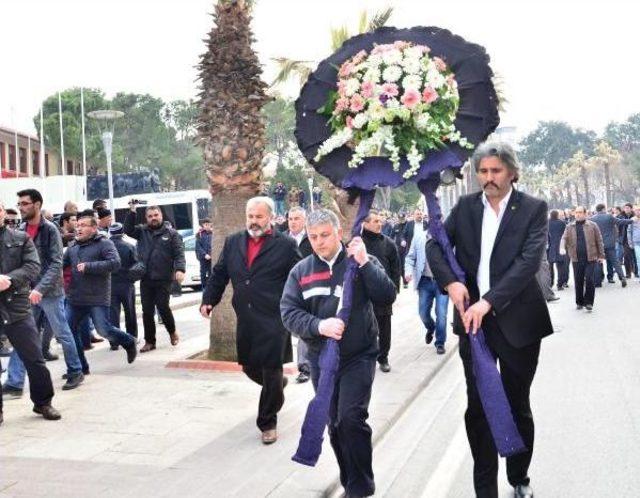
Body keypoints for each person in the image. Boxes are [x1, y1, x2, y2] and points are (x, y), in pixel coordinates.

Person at [426, 142, 553, 498]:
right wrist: (450, 282)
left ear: (512, 172)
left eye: (496, 171)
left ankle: (518, 476)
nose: (489, 178)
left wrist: (489, 302)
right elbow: (435, 245)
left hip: (519, 322)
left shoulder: (533, 209)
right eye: (483, 171)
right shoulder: (465, 208)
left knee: (517, 402)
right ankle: (485, 487)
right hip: (472, 324)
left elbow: (527, 263)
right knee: (478, 406)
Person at [280, 208, 397, 498]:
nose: (319, 242)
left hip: (360, 355)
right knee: (334, 425)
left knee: (350, 419)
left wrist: (365, 263)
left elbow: (387, 295)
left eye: (325, 235)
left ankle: (361, 487)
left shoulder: (360, 260)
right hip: (322, 359)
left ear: (338, 233)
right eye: (313, 236)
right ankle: (350, 483)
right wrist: (319, 325)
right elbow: (288, 312)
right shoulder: (301, 271)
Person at [200, 197, 300, 445]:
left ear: (271, 217)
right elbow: (220, 273)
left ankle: (268, 422)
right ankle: (277, 386)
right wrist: (208, 300)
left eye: (259, 217)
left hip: (275, 316)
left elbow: (299, 276)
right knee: (248, 365)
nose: (254, 222)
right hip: (245, 315)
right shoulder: (234, 241)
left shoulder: (285, 245)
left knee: (271, 366)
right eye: (250, 217)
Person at [3, 189, 85, 395]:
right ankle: (14, 382)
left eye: (25, 203)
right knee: (23, 338)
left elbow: (57, 263)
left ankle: (75, 370)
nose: (21, 207)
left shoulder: (49, 229)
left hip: (50, 292)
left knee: (62, 333)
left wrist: (40, 288)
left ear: (37, 204)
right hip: (26, 294)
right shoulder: (20, 229)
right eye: (19, 203)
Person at [0, 200, 61, 423]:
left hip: (16, 306)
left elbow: (33, 267)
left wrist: (8, 280)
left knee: (34, 358)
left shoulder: (20, 238)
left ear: (3, 213)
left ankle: (43, 403)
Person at [64, 213, 138, 371]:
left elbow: (115, 263)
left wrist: (89, 266)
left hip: (97, 296)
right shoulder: (73, 246)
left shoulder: (105, 243)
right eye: (77, 225)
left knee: (103, 329)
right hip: (75, 298)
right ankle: (80, 367)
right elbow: (61, 265)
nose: (79, 228)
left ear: (94, 228)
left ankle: (128, 341)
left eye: (83, 225)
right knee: (69, 331)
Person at [124, 202, 185, 353]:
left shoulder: (172, 234)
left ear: (161, 215)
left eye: (156, 215)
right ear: (146, 218)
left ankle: (172, 331)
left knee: (163, 308)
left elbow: (179, 254)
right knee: (147, 311)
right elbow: (128, 229)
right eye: (150, 216)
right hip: (146, 278)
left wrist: (180, 269)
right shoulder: (142, 231)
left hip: (164, 278)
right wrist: (132, 211)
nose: (153, 218)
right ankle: (150, 341)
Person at [361, 209, 401, 372]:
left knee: (384, 328)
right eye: (375, 221)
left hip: (383, 292)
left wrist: (394, 290)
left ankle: (383, 357)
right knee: (365, 327)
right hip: (363, 294)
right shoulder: (358, 243)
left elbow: (395, 269)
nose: (379, 224)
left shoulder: (388, 243)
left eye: (380, 221)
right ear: (365, 223)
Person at [405, 225, 449, 355]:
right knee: (423, 313)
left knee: (441, 314)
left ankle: (440, 342)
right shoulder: (419, 237)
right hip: (424, 281)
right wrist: (408, 272)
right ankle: (431, 327)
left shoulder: (447, 238)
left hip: (442, 282)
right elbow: (410, 257)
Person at [286, 207, 312, 383]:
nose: (293, 222)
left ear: (304, 220)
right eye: (290, 219)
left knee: (302, 327)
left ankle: (304, 367)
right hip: (286, 289)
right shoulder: (281, 239)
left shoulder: (311, 238)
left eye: (296, 218)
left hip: (307, 288)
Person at [562, 206, 605, 311]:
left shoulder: (592, 225)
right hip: (576, 258)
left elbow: (599, 240)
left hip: (590, 257)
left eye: (580, 212)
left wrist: (601, 255)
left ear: (585, 214)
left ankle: (589, 302)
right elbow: (564, 238)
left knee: (590, 279)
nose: (578, 214)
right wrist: (562, 247)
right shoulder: (569, 226)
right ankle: (579, 302)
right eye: (576, 212)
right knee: (578, 280)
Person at [109, 223, 140, 348]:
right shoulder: (129, 246)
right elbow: (137, 265)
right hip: (127, 283)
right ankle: (132, 337)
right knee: (130, 312)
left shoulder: (105, 247)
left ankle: (114, 342)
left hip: (110, 284)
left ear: (110, 233)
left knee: (113, 314)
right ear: (123, 233)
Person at [591, 203, 630, 287]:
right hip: (609, 244)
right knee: (615, 261)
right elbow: (621, 222)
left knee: (598, 262)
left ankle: (598, 282)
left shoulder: (592, 219)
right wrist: (632, 220)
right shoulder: (609, 216)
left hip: (598, 244)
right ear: (603, 209)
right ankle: (622, 277)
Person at [547, 210, 568, 291]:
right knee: (561, 267)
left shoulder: (547, 223)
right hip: (560, 246)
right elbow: (564, 234)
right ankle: (559, 284)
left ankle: (550, 283)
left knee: (550, 268)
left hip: (550, 247)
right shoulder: (562, 223)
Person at [392, 213, 409, 288]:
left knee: (404, 265)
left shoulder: (408, 226)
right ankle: (397, 283)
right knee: (398, 266)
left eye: (402, 218)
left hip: (406, 249)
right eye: (400, 219)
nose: (401, 220)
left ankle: (405, 282)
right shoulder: (396, 226)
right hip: (398, 249)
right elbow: (391, 236)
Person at [195, 218, 214, 288]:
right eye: (206, 225)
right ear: (203, 225)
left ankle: (210, 288)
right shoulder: (199, 234)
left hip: (211, 257)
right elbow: (198, 247)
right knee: (203, 274)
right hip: (203, 258)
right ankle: (204, 288)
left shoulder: (213, 233)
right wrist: (204, 254)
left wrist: (211, 254)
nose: (207, 226)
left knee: (211, 273)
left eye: (209, 224)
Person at [628, 206, 640, 278]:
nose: (638, 212)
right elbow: (629, 231)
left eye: (639, 210)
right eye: (637, 211)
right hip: (636, 242)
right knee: (638, 259)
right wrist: (630, 242)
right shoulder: (632, 220)